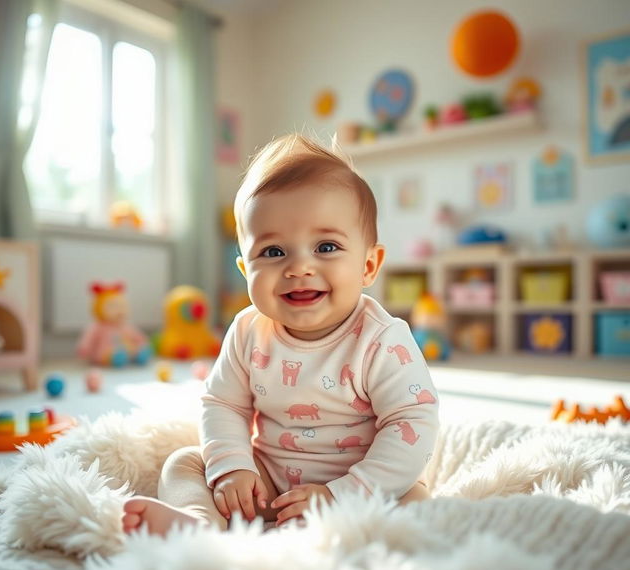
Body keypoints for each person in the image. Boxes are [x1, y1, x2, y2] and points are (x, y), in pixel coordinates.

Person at [122, 134, 439, 535]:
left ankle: (349, 542)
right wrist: (233, 467)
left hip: (362, 487)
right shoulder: (248, 330)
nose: (299, 267)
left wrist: (346, 494)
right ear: (245, 271)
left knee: (414, 500)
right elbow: (223, 404)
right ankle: (199, 525)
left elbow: (412, 421)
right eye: (273, 252)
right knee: (185, 463)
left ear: (369, 265)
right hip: (269, 481)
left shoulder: (382, 340)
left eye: (326, 246)